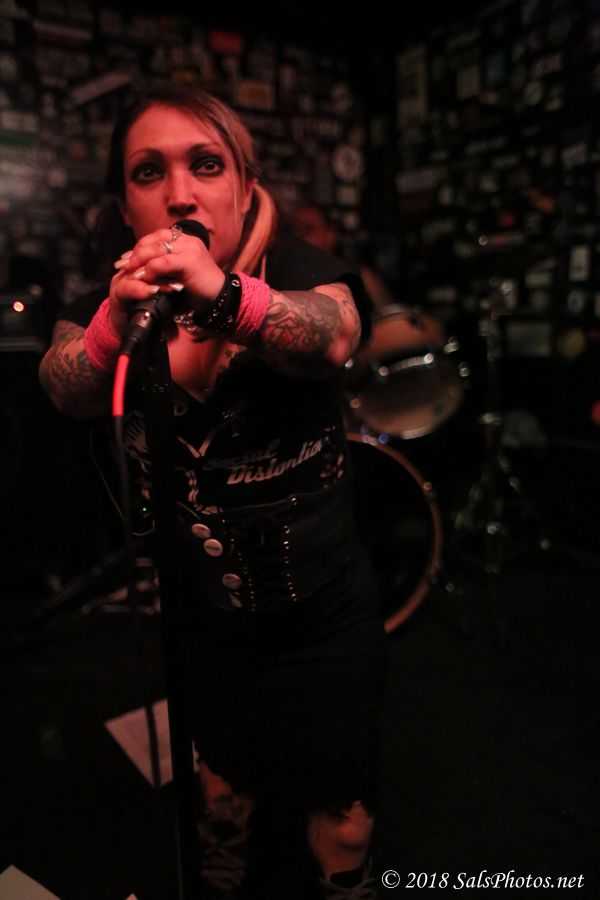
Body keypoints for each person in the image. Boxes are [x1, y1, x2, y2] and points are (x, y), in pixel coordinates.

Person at [39, 86, 388, 900]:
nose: (179, 193)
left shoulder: (293, 266)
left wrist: (224, 293)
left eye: (205, 164)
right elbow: (63, 384)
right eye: (147, 172)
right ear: (125, 206)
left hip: (324, 615)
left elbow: (335, 334)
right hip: (202, 621)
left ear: (244, 185)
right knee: (221, 793)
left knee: (344, 814)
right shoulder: (115, 303)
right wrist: (113, 323)